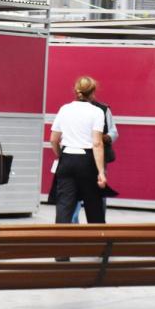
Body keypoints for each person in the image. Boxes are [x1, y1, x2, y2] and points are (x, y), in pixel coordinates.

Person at [50, 76, 108, 224]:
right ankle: (98, 241)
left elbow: (54, 139)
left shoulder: (65, 109)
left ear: (76, 91)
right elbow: (97, 143)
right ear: (93, 92)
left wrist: (61, 154)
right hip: (87, 161)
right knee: (93, 206)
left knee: (64, 205)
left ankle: (61, 243)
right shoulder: (97, 112)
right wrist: (101, 171)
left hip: (67, 157)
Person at [70, 85, 118, 223]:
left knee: (97, 193)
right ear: (92, 92)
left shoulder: (103, 109)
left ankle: (99, 224)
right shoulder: (71, 109)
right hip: (78, 156)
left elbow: (113, 132)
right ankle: (73, 224)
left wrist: (104, 137)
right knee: (75, 193)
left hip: (96, 157)